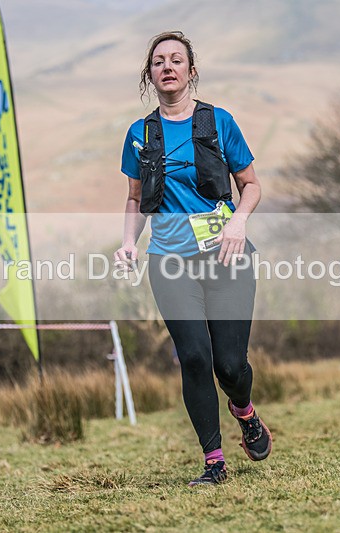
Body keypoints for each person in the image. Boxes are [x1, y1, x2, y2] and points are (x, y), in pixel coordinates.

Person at [114, 31, 271, 486]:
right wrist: (128, 242)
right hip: (168, 261)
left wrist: (239, 221)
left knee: (230, 365)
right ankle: (214, 461)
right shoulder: (139, 134)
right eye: (159, 61)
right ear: (150, 74)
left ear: (190, 71)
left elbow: (252, 184)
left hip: (227, 257)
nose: (168, 66)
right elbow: (134, 198)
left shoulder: (220, 122)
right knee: (195, 358)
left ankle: (245, 410)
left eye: (176, 59)